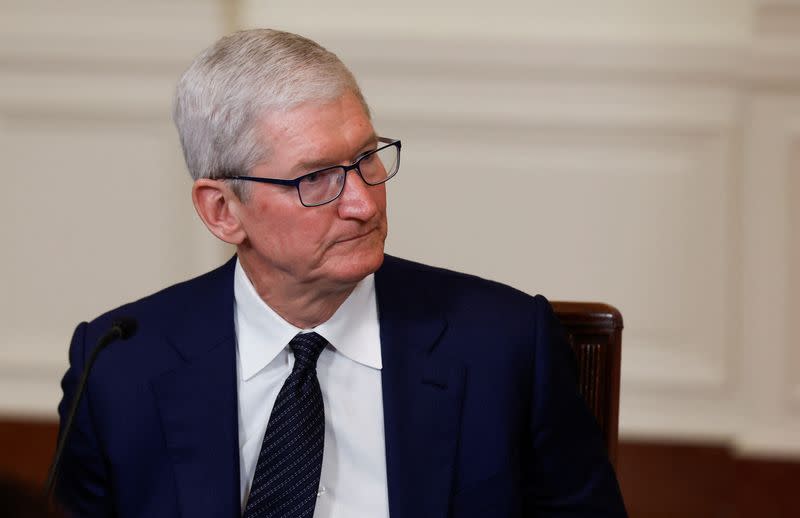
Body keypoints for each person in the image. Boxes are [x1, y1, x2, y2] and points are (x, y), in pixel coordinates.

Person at [54, 29, 627, 518]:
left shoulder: (504, 346)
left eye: (366, 158)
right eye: (316, 179)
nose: (363, 202)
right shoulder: (118, 367)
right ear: (222, 211)